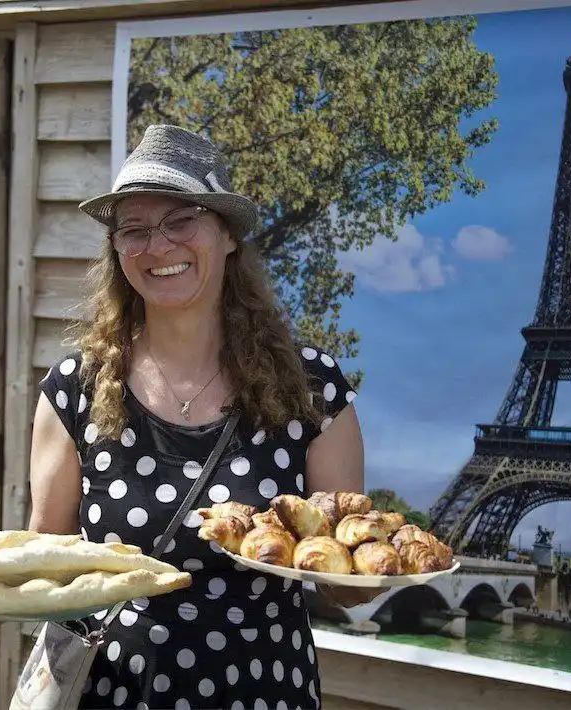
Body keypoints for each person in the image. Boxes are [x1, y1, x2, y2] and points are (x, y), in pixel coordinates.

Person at [27, 124, 373, 709]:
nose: (157, 247)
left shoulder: (310, 389)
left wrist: (360, 577)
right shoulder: (76, 390)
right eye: (132, 230)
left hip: (260, 691)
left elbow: (346, 579)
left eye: (181, 221)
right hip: (113, 690)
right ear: (116, 251)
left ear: (228, 236)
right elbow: (48, 554)